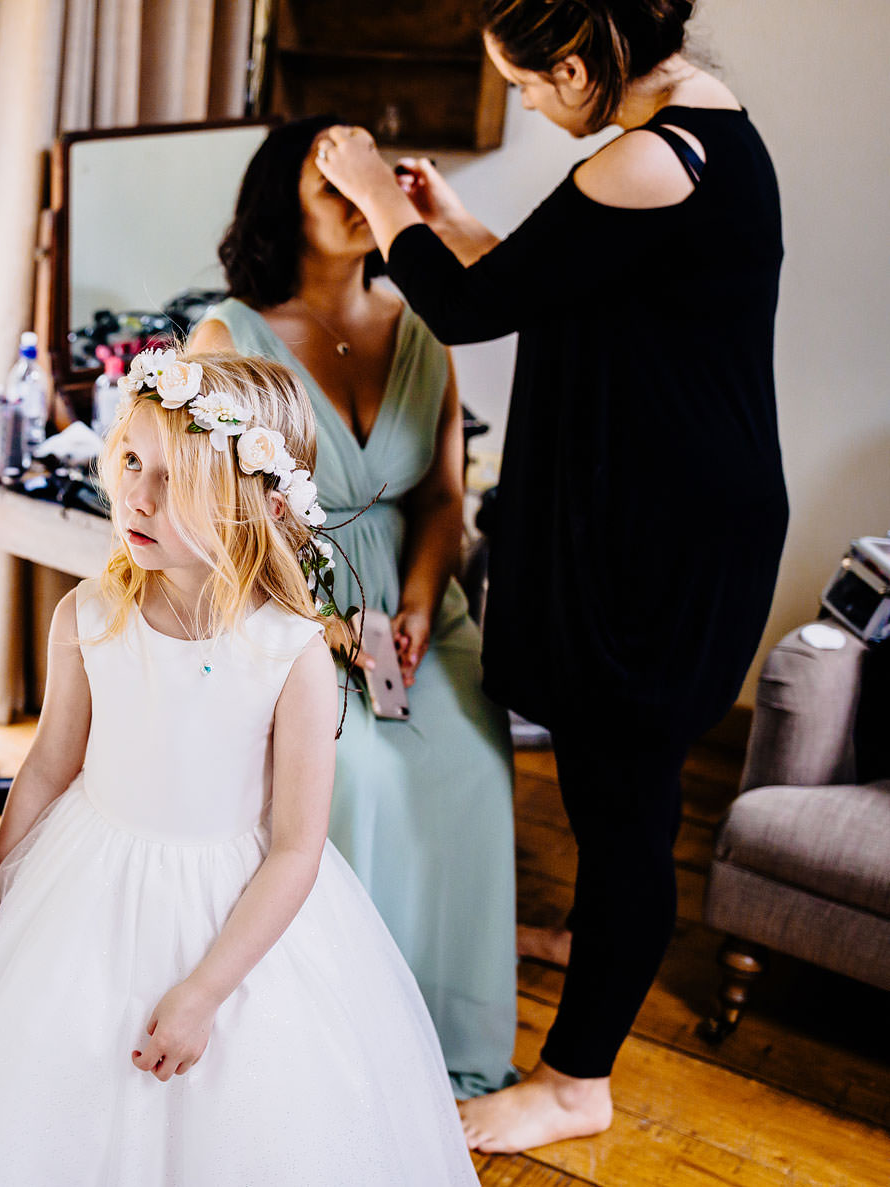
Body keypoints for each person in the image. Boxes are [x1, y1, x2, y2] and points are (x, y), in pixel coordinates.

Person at [314, 0, 786, 1153]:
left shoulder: (649, 158)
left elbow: (476, 308)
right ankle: (596, 941)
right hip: (660, 510)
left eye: (527, 83)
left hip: (662, 537)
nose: (527, 102)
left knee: (626, 805)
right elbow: (543, 285)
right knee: (610, 785)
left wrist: (377, 191)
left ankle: (577, 1079)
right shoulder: (692, 128)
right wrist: (449, 216)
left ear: (576, 61)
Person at [0, 349, 477, 1185]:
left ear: (256, 506)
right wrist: (0, 884)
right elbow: (49, 765)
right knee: (67, 1085)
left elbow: (297, 849)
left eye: (177, 477)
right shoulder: (87, 616)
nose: (139, 494)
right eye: (132, 458)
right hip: (86, 886)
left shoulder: (289, 654)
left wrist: (202, 991)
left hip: (231, 917)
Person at [193, 115, 518, 1098]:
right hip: (284, 604)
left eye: (367, 173)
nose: (352, 190)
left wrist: (419, 604)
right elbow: (221, 516)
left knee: (472, 762)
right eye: (328, 175)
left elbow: (440, 498)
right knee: (363, 777)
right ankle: (340, 1032)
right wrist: (326, 625)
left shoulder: (424, 323)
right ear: (277, 200)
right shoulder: (228, 336)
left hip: (416, 608)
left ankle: (443, 1032)